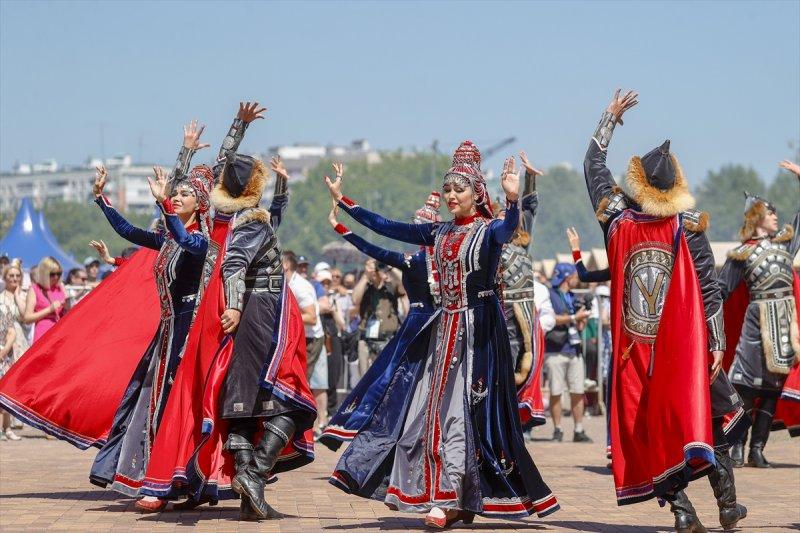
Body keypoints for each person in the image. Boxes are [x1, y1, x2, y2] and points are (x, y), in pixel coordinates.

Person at [323, 142, 558, 528]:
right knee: (428, 412)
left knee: (461, 416)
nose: (451, 196)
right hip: (444, 330)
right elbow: (388, 227)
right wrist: (344, 202)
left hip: (479, 335)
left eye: (458, 190)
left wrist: (514, 200)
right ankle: (448, 495)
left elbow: (508, 228)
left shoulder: (488, 231)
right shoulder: (440, 231)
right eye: (447, 189)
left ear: (476, 194)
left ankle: (451, 497)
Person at [584, 89, 746, 531]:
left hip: (634, 349)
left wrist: (609, 118)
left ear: (637, 183)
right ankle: (727, 505)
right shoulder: (687, 228)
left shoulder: (616, 220)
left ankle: (682, 511)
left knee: (648, 430)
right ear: (675, 187)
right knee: (710, 415)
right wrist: (717, 343)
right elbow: (709, 290)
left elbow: (592, 165)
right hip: (682, 347)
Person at [88, 118, 216, 509]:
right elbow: (130, 232)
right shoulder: (167, 238)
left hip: (187, 334)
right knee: (148, 402)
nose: (177, 197)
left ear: (200, 204)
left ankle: (167, 483)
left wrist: (165, 202)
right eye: (175, 194)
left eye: (184, 195)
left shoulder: (198, 241)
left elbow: (183, 236)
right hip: (166, 332)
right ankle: (159, 479)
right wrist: (101, 200)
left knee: (172, 403)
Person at [320, 184, 442, 452]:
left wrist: (340, 227)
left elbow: (372, 248)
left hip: (417, 326)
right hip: (442, 324)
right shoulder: (442, 262)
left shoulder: (412, 260)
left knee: (387, 379)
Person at [719, 160, 800, 469]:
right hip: (755, 325)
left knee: (771, 389)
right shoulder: (742, 254)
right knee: (745, 385)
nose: (776, 215)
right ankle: (737, 445)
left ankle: (757, 448)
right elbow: (722, 289)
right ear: (756, 219)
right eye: (769, 212)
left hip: (783, 326)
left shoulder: (785, 246)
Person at [492, 151, 551, 429]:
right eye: (502, 215)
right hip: (498, 310)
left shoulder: (522, 242)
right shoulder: (490, 240)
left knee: (520, 363)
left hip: (522, 314)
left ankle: (514, 421)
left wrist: (529, 178)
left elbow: (529, 209)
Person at [544, 263, 592, 442]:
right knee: (556, 391)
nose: (577, 279)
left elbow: (579, 326)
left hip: (574, 349)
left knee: (578, 390)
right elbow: (550, 319)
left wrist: (583, 317)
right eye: (575, 276)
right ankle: (558, 429)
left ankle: (578, 429)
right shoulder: (550, 295)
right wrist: (573, 317)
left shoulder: (573, 296)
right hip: (554, 349)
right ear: (568, 277)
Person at [282, 251, 326, 437]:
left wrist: (285, 316)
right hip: (299, 337)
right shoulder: (288, 283)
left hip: (310, 339)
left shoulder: (300, 287)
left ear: (285, 266)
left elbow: (312, 317)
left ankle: (307, 428)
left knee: (302, 382)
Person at [352, 257, 404, 379]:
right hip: (366, 340)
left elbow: (405, 285)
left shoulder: (391, 286)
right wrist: (365, 275)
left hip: (388, 339)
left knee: (387, 377)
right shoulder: (365, 287)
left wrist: (389, 267)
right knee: (365, 379)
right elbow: (355, 299)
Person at [23, 256, 67, 344]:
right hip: (43, 333)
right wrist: (49, 309)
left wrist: (67, 306)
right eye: (52, 274)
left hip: (60, 332)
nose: (56, 277)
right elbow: (27, 318)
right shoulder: (35, 289)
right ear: (44, 273)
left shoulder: (60, 287)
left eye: (59, 273)